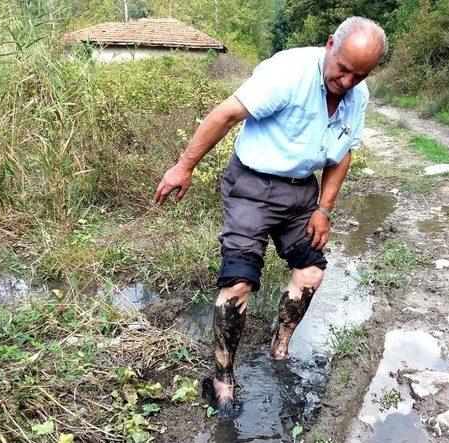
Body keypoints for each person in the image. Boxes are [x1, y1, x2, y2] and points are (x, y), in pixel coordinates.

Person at [154, 16, 388, 413]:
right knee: (238, 284)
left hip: (301, 194)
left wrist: (323, 209)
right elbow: (225, 114)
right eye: (343, 69)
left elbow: (343, 152)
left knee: (311, 271)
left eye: (359, 76)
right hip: (252, 187)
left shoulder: (356, 95)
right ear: (330, 44)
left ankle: (279, 349)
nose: (347, 82)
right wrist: (184, 166)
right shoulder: (288, 71)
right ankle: (222, 379)